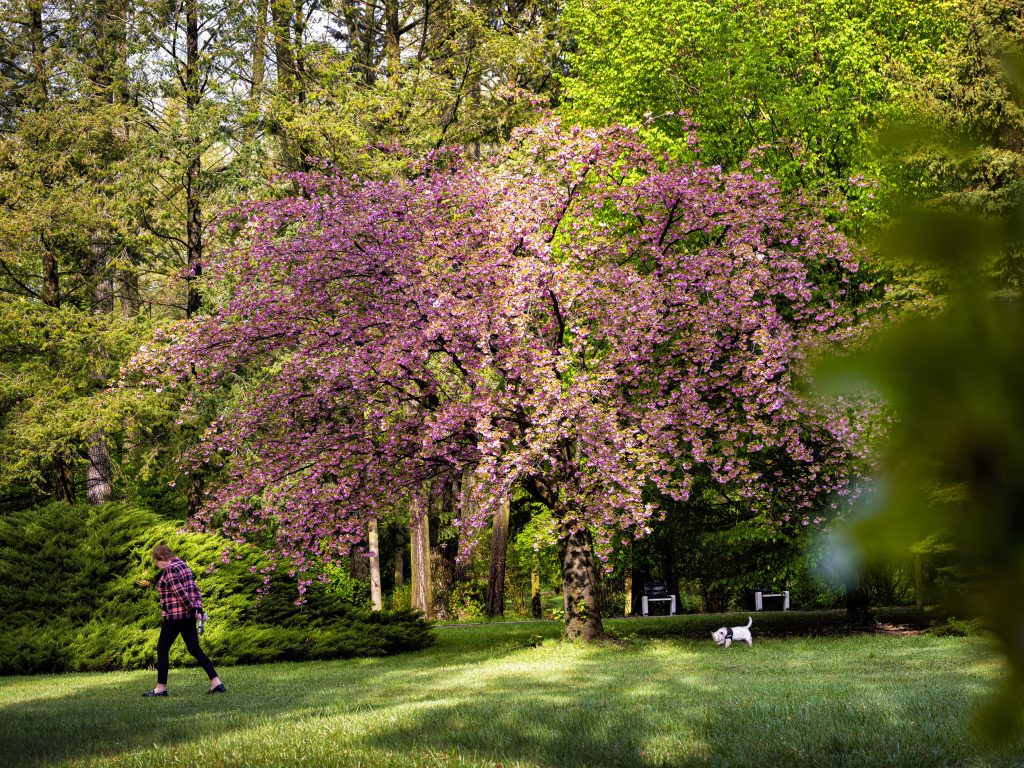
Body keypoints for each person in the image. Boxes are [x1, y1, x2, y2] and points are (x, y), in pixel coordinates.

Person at [137, 544, 226, 697]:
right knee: (194, 648)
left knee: (162, 649)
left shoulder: (170, 569)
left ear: (162, 558)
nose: (157, 565)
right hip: (187, 617)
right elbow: (194, 589)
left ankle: (161, 688)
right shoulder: (182, 564)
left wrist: (193, 610)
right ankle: (216, 683)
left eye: (156, 562)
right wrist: (197, 609)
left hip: (174, 617)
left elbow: (180, 593)